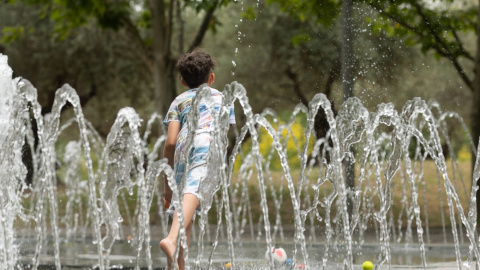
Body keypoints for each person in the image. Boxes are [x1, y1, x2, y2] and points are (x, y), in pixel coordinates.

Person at [160, 48, 235, 270]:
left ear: (183, 81)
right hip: (207, 146)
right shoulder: (222, 98)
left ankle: (177, 267)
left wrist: (167, 185)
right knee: (194, 191)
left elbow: (170, 142)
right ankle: (171, 240)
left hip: (184, 147)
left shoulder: (178, 101)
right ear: (211, 78)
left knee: (185, 211)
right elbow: (223, 132)